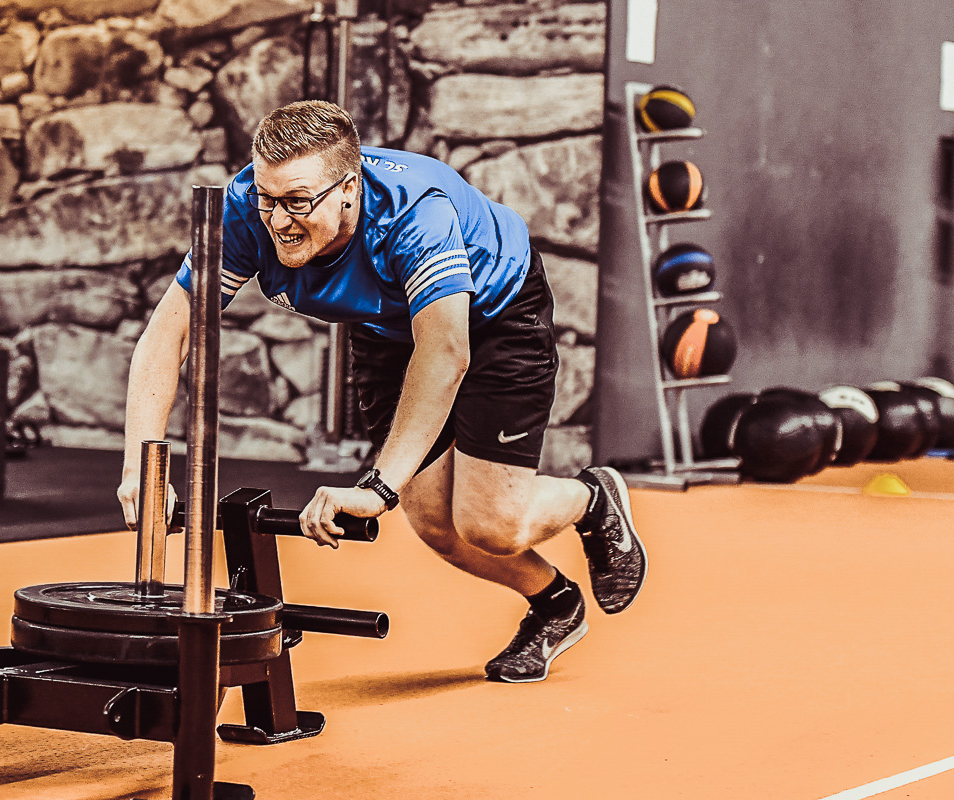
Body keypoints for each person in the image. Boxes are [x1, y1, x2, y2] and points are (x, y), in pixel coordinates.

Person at [118, 100, 645, 683]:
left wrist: (377, 487)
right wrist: (144, 465)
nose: (279, 220)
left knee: (490, 525)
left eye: (298, 201)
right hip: (384, 328)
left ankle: (592, 499)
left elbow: (446, 352)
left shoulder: (413, 214)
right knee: (436, 525)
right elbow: (168, 335)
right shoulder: (248, 211)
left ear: (349, 187)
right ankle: (555, 602)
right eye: (268, 198)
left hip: (495, 315)